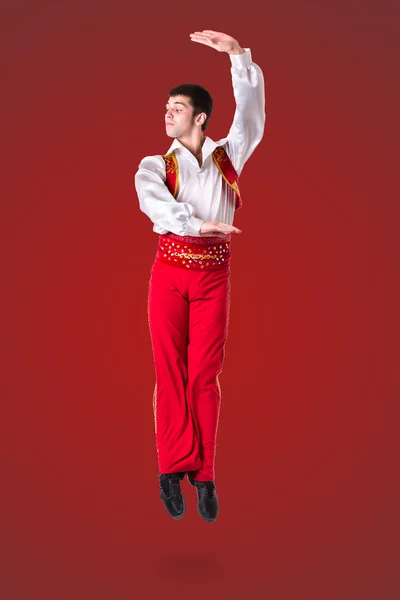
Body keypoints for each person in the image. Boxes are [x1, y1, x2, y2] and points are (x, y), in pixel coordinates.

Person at [134, 30, 265, 522]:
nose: (168, 113)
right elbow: (155, 205)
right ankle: (171, 468)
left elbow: (251, 118)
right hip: (168, 273)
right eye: (167, 106)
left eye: (177, 107)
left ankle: (205, 474)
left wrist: (237, 56)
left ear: (200, 117)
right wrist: (198, 223)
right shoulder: (154, 164)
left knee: (204, 376)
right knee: (169, 372)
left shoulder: (229, 155)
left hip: (213, 278)